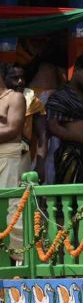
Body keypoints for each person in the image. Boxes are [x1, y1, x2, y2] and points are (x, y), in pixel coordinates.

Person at [46, 54, 83, 184]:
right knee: (71, 193)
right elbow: (53, 127)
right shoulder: (60, 96)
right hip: (71, 155)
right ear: (76, 69)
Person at [0, 65, 26, 253]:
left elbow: (13, 129)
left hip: (9, 157)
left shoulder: (15, 97)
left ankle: (19, 257)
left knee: (12, 209)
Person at [5, 64, 46, 178]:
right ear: (4, 79)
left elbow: (42, 136)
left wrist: (40, 165)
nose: (20, 81)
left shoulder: (32, 100)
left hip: (21, 156)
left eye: (22, 77)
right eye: (15, 78)